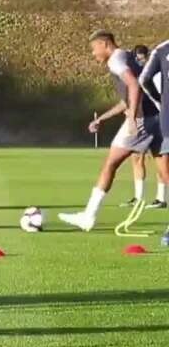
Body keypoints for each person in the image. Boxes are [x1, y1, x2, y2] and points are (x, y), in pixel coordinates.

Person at [61, 31, 168, 231]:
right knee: (165, 172)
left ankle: (88, 216)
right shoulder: (128, 56)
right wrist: (102, 118)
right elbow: (128, 97)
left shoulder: (116, 61)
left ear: (105, 43)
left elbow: (134, 86)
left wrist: (133, 118)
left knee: (110, 163)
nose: (94, 54)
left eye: (94, 49)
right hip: (159, 117)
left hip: (142, 119)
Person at [129, 44, 169, 208]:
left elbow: (144, 80)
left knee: (162, 163)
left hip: (160, 119)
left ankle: (159, 198)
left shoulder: (162, 50)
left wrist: (161, 103)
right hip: (156, 118)